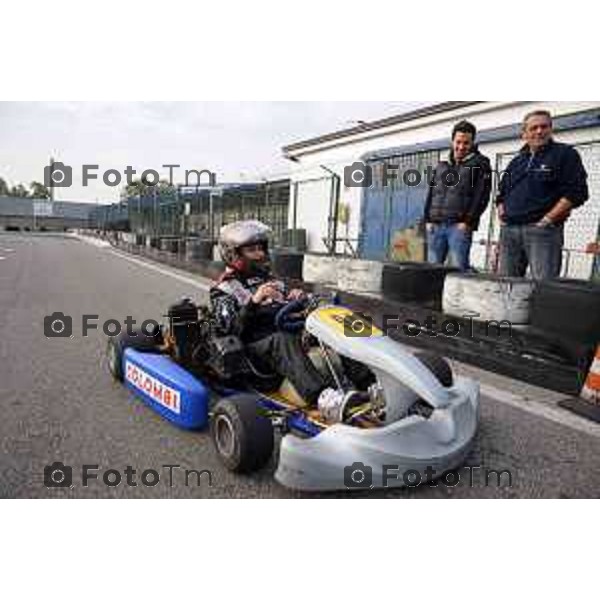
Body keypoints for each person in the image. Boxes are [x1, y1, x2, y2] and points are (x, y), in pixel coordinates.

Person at [209, 220, 365, 415]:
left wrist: (297, 297)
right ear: (233, 254)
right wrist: (254, 302)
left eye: (261, 248)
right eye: (252, 250)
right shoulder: (224, 289)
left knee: (331, 324)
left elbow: (289, 307)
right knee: (282, 340)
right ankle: (324, 398)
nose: (260, 254)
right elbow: (228, 329)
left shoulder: (270, 281)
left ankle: (367, 381)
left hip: (286, 339)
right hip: (254, 353)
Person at [496, 110, 589, 279]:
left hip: (542, 232)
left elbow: (577, 191)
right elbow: (501, 192)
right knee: (506, 284)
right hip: (510, 231)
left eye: (544, 126)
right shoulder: (517, 161)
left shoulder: (565, 154)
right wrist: (502, 214)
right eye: (533, 128)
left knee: (543, 286)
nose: (539, 131)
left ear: (551, 129)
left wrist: (547, 220)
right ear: (524, 134)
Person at [424, 120, 492, 271]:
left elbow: (482, 196)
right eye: (458, 142)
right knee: (431, 271)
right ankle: (434, 296)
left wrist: (467, 222)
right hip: (436, 226)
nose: (461, 147)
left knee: (457, 272)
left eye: (466, 143)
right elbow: (431, 193)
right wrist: (427, 219)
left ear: (472, 142)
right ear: (452, 141)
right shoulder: (442, 165)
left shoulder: (480, 164)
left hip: (458, 227)